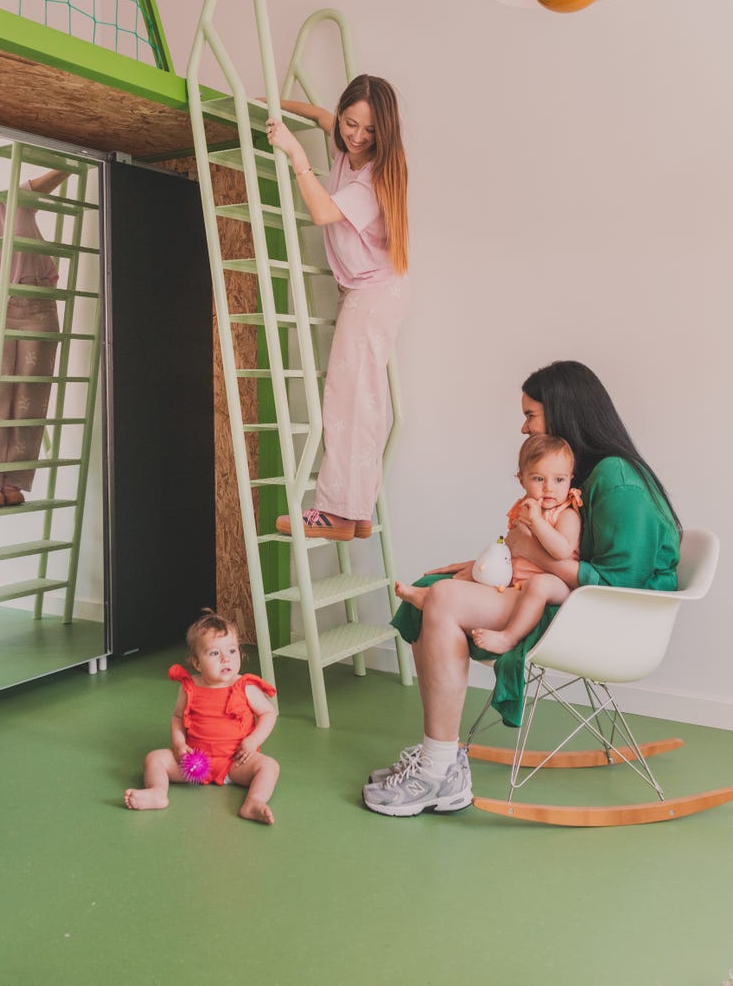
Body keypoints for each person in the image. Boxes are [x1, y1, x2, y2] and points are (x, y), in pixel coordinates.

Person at [362, 360, 680, 819]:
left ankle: (437, 772)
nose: (524, 426)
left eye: (531, 414)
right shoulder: (582, 476)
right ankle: (441, 755)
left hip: (609, 618)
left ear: (562, 413)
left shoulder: (618, 479)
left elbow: (618, 583)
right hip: (575, 600)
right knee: (436, 585)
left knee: (446, 599)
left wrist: (525, 547)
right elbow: (560, 556)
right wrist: (490, 562)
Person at [264, 74, 409, 542]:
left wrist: (295, 153)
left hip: (372, 294)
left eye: (369, 131)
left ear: (384, 133)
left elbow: (323, 211)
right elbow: (321, 116)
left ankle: (336, 512)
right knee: (359, 398)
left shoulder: (375, 177)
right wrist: (272, 101)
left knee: (347, 401)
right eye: (351, 124)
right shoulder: (346, 149)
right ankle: (356, 511)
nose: (357, 137)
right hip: (368, 293)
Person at [395, 433, 583, 656]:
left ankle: (508, 638)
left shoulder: (566, 515)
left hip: (558, 585)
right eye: (538, 479)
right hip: (518, 580)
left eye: (559, 480)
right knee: (486, 573)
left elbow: (561, 551)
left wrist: (537, 522)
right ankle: (428, 597)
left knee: (539, 585)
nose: (549, 488)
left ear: (571, 478)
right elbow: (515, 546)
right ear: (522, 479)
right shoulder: (525, 508)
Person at [124, 610, 279, 824]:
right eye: (215, 654)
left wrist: (253, 741)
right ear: (197, 663)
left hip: (235, 761)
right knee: (154, 759)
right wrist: (179, 745)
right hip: (195, 764)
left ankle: (253, 801)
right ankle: (157, 792)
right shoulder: (190, 687)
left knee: (269, 767)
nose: (226, 658)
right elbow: (178, 718)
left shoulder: (245, 686)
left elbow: (268, 713)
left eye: (232, 651)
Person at [0, 167, 68, 507]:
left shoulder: (12, 202)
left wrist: (76, 151)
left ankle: (13, 479)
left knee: (30, 394)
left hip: (37, 304)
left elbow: (51, 178)